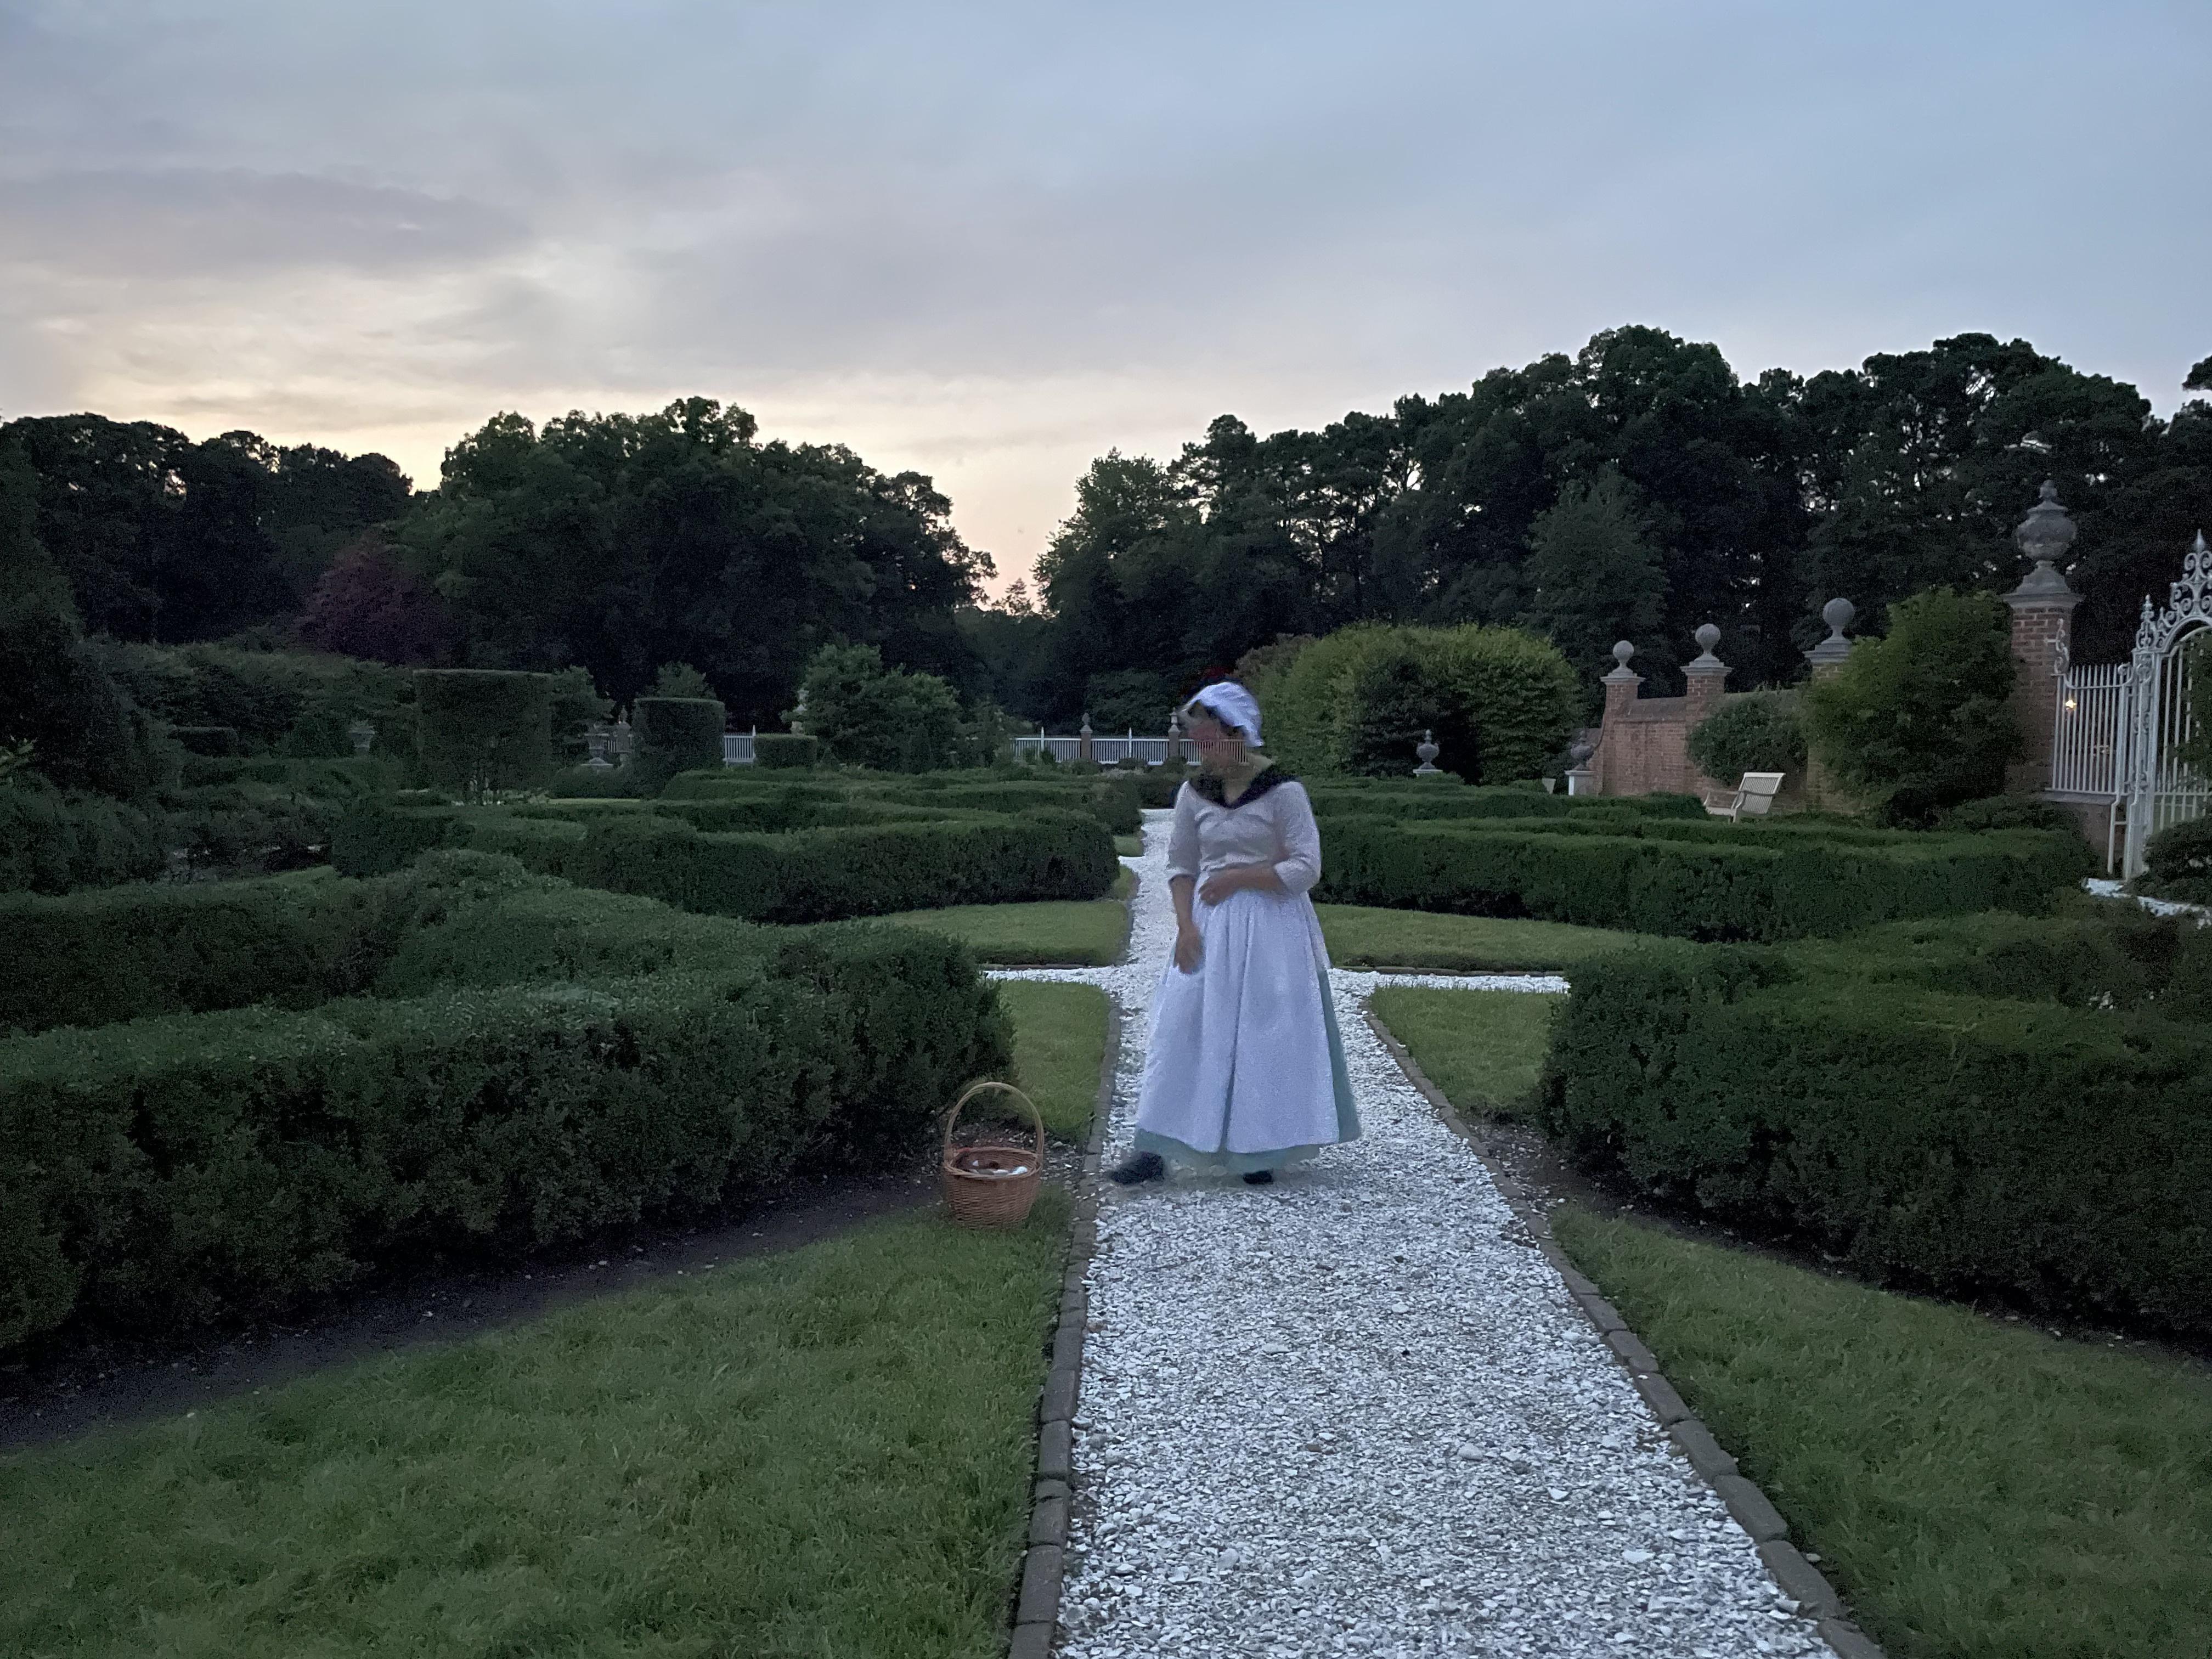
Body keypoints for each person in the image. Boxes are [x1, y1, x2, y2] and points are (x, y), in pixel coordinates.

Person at [1110, 681, 1360, 1187]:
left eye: (1205, 737)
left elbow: (1306, 867)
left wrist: (1241, 878)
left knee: (1265, 1033)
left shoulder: (1284, 792)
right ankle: (1155, 1146)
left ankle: (1258, 1146)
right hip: (1208, 925)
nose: (1198, 747)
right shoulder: (1194, 793)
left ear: (1236, 733)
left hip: (1272, 928)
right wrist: (1185, 926)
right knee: (1183, 1026)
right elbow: (1180, 865)